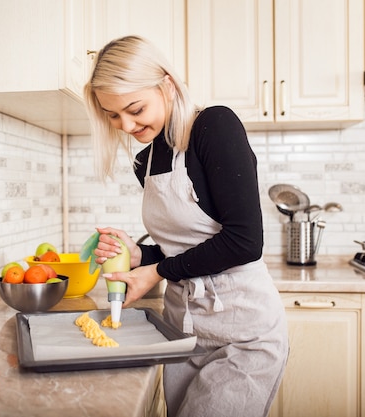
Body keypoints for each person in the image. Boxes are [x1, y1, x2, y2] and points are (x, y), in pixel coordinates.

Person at [83, 35, 289, 417]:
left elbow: (245, 241)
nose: (126, 124)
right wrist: (138, 254)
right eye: (112, 115)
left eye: (135, 108)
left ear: (167, 84)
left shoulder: (214, 126)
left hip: (243, 334)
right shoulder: (143, 162)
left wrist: (155, 271)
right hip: (182, 333)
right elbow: (183, 248)